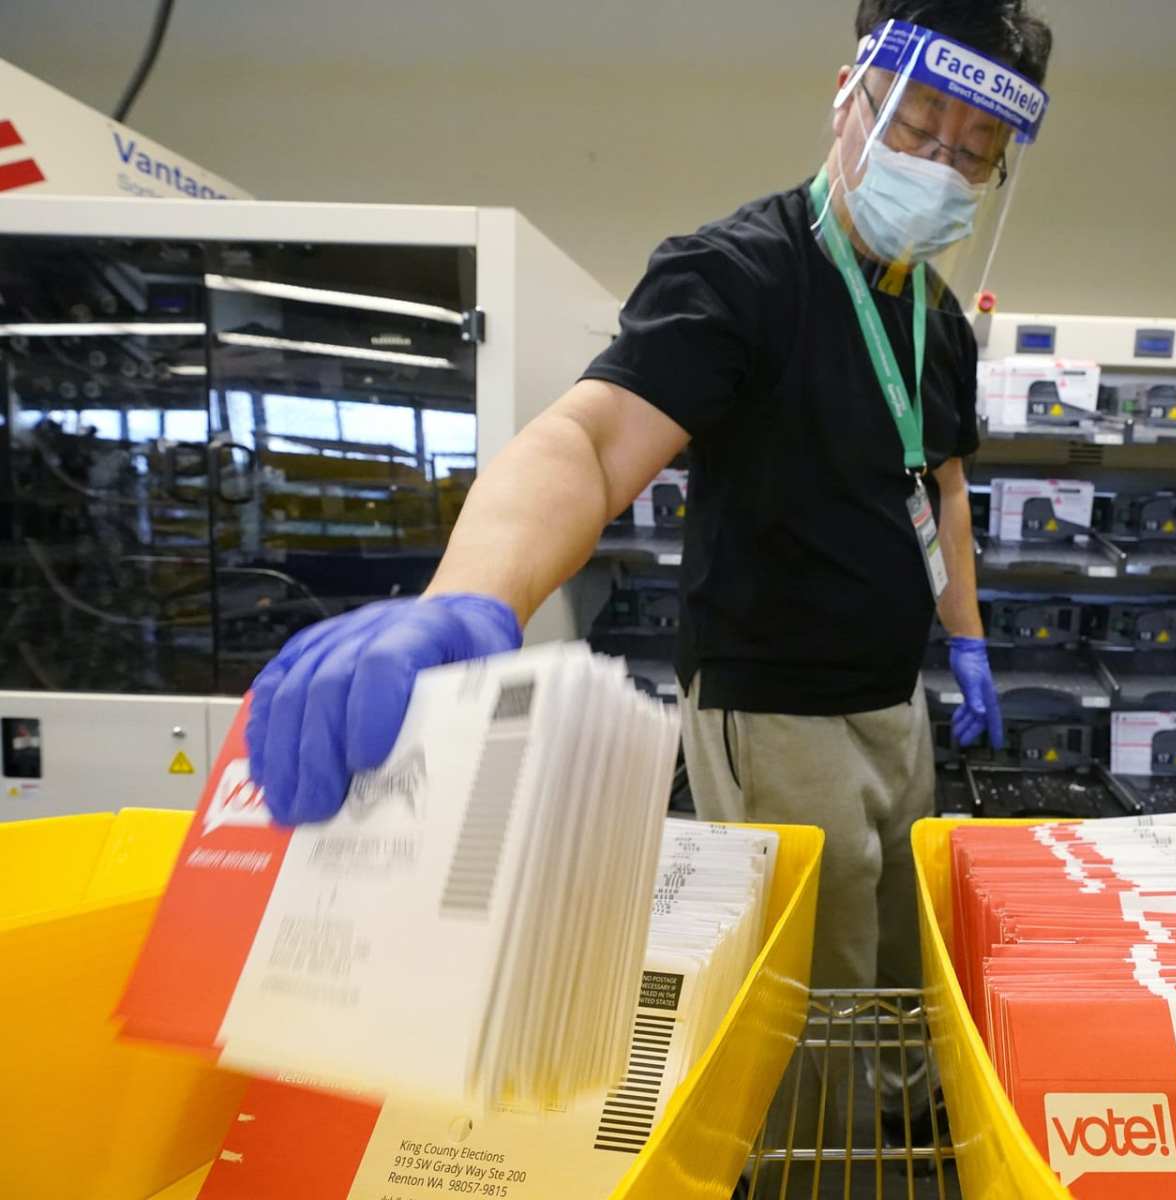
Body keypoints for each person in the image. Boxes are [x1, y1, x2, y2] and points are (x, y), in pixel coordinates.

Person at [245, 0, 1053, 1009]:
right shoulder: (740, 276)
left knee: (900, 945)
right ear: (848, 100)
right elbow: (586, 441)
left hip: (895, 698)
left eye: (975, 152)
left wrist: (964, 638)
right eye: (917, 126)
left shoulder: (937, 318)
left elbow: (940, 481)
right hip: (774, 709)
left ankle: (889, 1129)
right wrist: (464, 598)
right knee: (814, 985)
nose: (940, 167)